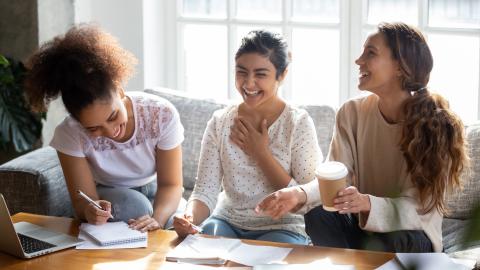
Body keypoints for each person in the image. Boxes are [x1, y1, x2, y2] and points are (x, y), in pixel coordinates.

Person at [254, 22, 469, 252]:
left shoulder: (438, 125)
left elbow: (420, 209)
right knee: (318, 215)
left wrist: (366, 203)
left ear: (400, 66)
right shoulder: (351, 113)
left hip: (411, 237)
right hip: (364, 233)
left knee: (394, 239)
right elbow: (336, 180)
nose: (359, 61)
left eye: (371, 53)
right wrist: (299, 193)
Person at [24, 24, 186, 232]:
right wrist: (91, 210)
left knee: (180, 223)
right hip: (111, 195)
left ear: (119, 91)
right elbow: (83, 200)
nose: (109, 132)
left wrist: (159, 220)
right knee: (134, 207)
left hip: (156, 190)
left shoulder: (160, 114)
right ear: (77, 121)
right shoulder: (70, 134)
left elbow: (171, 185)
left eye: (112, 116)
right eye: (93, 128)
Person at [173, 30, 322, 244]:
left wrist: (260, 153)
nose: (248, 84)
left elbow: (308, 195)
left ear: (282, 75)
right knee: (199, 250)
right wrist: (189, 217)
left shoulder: (297, 123)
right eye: (241, 72)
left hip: (283, 227)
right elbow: (205, 190)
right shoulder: (220, 121)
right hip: (226, 221)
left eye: (260, 74)